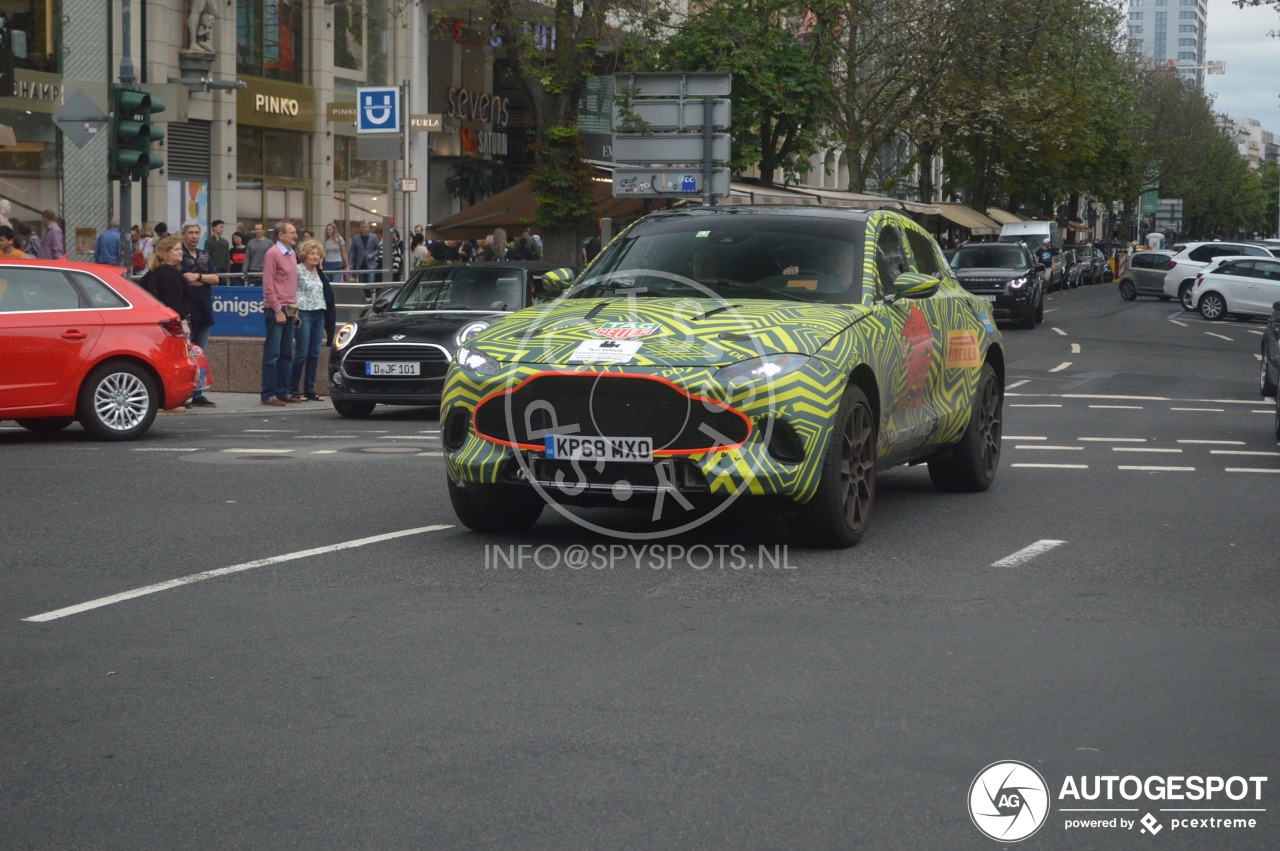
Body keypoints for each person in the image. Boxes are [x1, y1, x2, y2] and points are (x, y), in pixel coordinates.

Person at [139, 236, 191, 414]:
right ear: (166, 252)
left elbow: (142, 288)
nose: (181, 252)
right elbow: (175, 302)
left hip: (157, 323)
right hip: (172, 325)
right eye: (177, 249)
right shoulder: (170, 273)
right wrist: (183, 323)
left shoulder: (154, 272)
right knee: (176, 361)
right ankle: (172, 400)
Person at [289, 239, 337, 402]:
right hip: (304, 314)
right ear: (304, 255)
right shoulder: (297, 270)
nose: (315, 256)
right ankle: (293, 390)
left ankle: (310, 390)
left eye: (318, 254)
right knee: (302, 353)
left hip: (319, 314)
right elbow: (290, 291)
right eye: (312, 253)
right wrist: (293, 311)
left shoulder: (319, 272)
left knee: (315, 353)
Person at [260, 220, 300, 406]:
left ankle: (282, 392)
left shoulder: (292, 254)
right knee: (273, 353)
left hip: (289, 308)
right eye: (292, 232)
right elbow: (268, 286)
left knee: (286, 353)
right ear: (281, 235)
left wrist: (295, 309)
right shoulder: (273, 254)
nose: (296, 235)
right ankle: (268, 394)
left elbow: (291, 285)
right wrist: (277, 310)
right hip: (276, 308)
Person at [180, 221, 219, 408]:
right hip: (187, 313)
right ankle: (186, 393)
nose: (194, 236)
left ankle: (198, 393)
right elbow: (184, 280)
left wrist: (199, 277)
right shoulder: (180, 255)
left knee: (200, 354)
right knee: (187, 355)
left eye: (197, 233)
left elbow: (216, 278)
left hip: (204, 311)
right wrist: (202, 279)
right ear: (183, 235)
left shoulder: (204, 255)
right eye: (190, 233)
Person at [348, 220, 381, 294]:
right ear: (360, 228)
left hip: (371, 265)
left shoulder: (374, 237)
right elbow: (352, 251)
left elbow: (378, 249)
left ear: (368, 228)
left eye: (366, 227)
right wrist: (350, 263)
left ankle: (370, 301)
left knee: (370, 284)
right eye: (363, 227)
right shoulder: (355, 238)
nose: (365, 229)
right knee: (362, 286)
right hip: (360, 265)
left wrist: (372, 255)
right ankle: (363, 302)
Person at [244, 222, 273, 286]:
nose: (258, 231)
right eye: (256, 229)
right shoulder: (250, 242)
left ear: (263, 230)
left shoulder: (269, 243)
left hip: (265, 271)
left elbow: (272, 258)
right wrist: (244, 270)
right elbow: (247, 257)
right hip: (253, 271)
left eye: (259, 229)